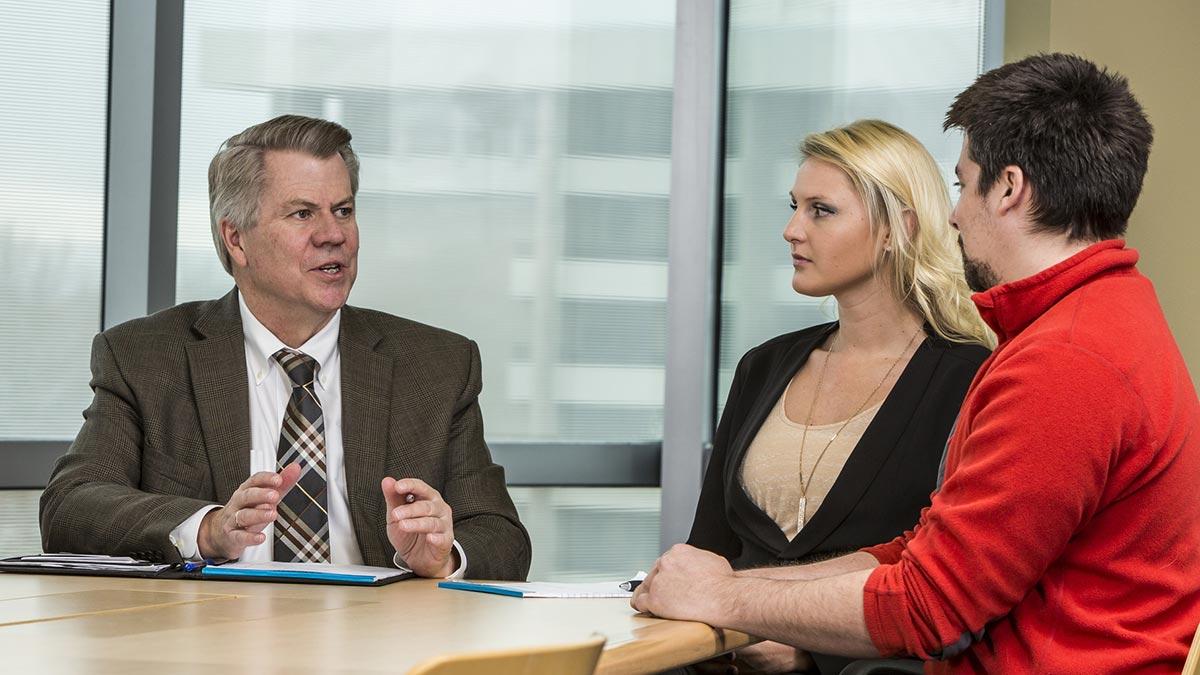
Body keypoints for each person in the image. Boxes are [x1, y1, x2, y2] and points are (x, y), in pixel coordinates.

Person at [633, 53, 1200, 674]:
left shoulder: (1066, 360)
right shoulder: (1094, 321)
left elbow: (931, 605)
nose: (953, 215)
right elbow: (926, 558)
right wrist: (758, 597)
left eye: (962, 184)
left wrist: (725, 596)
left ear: (1008, 189)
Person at [40, 115, 531, 581]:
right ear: (236, 239)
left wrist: (443, 557)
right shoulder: (146, 358)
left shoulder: (436, 366)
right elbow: (71, 506)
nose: (334, 235)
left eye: (343, 210)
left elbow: (502, 537)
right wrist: (207, 529)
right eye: (303, 213)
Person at [688, 119, 991, 674]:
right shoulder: (763, 366)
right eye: (793, 206)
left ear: (896, 228)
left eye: (819, 210)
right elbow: (710, 552)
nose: (790, 230)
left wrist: (809, 650)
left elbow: (952, 587)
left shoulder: (971, 376)